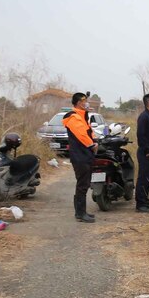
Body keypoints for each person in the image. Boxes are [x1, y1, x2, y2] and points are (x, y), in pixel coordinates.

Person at [63, 92, 97, 223]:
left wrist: (95, 140)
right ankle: (80, 213)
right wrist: (92, 145)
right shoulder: (73, 117)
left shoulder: (82, 116)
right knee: (82, 184)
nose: (86, 103)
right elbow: (81, 135)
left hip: (85, 154)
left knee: (84, 183)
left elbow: (89, 131)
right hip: (80, 155)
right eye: (84, 101)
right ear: (78, 102)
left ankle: (81, 212)